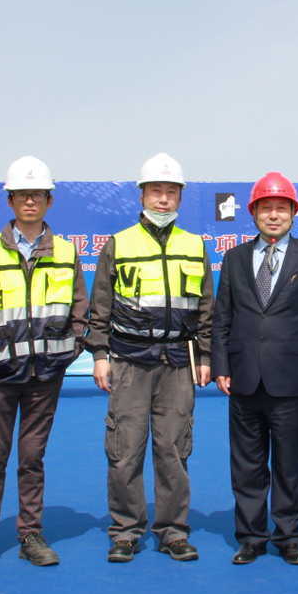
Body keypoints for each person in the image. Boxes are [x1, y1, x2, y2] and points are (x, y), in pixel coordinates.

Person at [0, 157, 90, 572]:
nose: (29, 201)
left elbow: (80, 311)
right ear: (10, 201)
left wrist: (65, 354)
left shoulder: (66, 252)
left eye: (37, 195)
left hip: (44, 376)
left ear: (49, 200)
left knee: (32, 458)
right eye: (21, 195)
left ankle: (30, 534)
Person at [86, 153, 213, 563]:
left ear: (180, 197)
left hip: (178, 362)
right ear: (142, 195)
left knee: (174, 450)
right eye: (156, 191)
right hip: (129, 361)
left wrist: (205, 355)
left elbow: (207, 309)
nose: (163, 199)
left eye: (171, 192)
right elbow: (100, 306)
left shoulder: (194, 245)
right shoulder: (119, 244)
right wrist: (100, 354)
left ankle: (173, 531)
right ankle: (125, 531)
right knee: (124, 449)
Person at [211, 172, 298, 566]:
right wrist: (221, 365)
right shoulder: (234, 258)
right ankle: (251, 537)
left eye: (281, 208)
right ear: (254, 213)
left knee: (288, 464)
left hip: (293, 380)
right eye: (266, 208)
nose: (274, 215)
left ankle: (289, 537)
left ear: (294, 213)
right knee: (246, 465)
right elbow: (222, 317)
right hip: (244, 379)